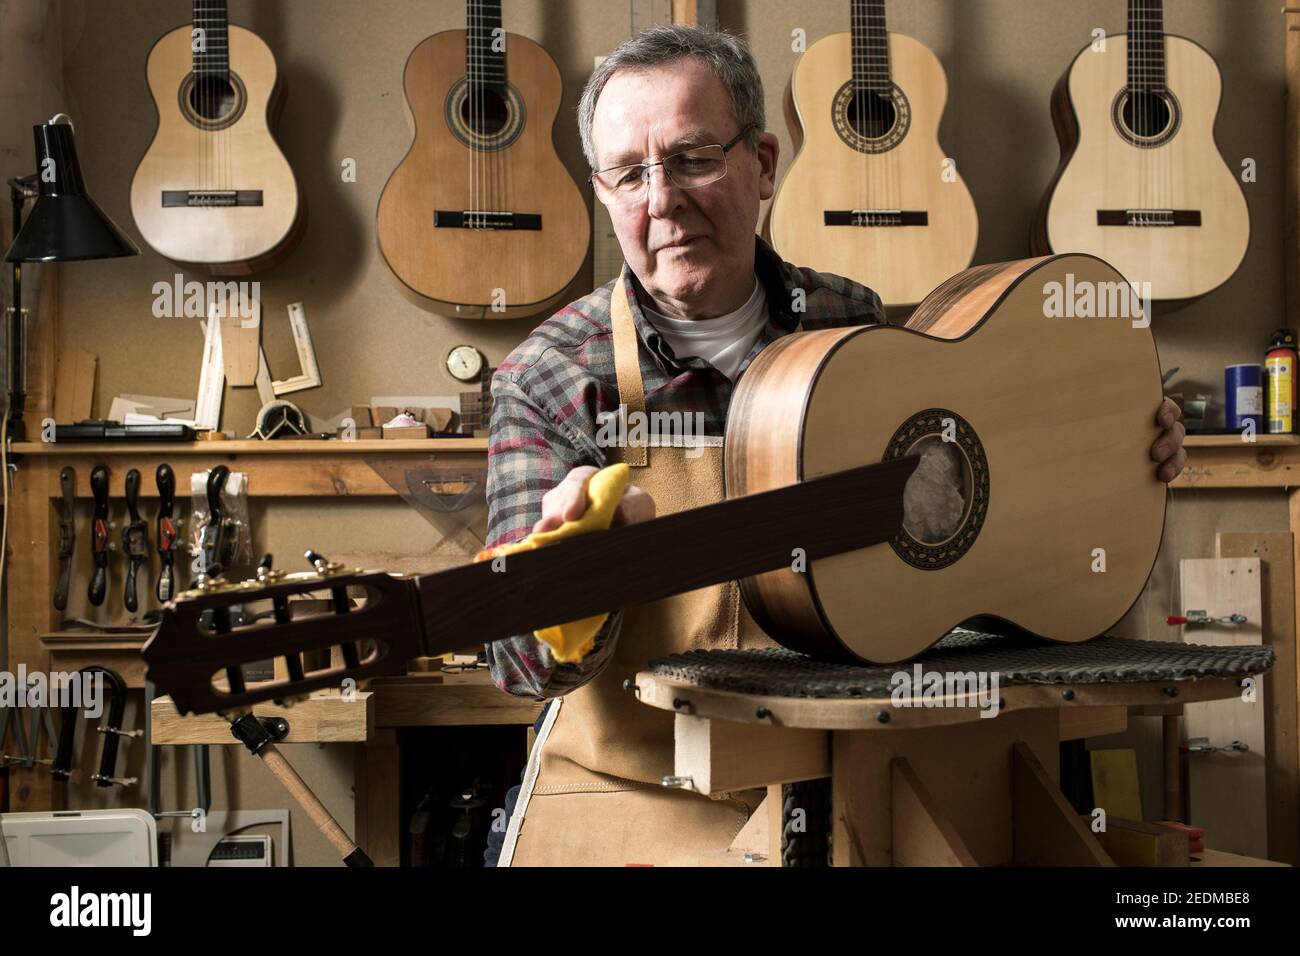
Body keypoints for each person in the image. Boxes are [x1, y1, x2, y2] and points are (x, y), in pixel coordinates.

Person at [481, 25, 1187, 867]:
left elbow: (976, 491)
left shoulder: (851, 318)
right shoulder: (551, 377)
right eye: (629, 174)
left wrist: (1110, 449)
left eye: (695, 157)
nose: (661, 199)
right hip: (644, 794)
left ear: (765, 163)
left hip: (852, 772)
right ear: (604, 193)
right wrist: (569, 589)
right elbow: (518, 664)